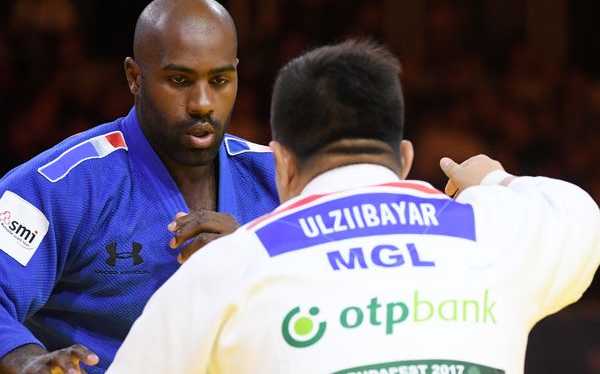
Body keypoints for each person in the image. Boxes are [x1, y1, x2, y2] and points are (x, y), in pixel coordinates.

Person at [107, 39, 600, 374]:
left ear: (281, 166)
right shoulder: (495, 233)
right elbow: (578, 211)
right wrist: (494, 181)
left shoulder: (227, 267)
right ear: (404, 158)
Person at [0, 0, 279, 374]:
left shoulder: (277, 180)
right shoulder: (61, 186)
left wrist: (256, 256)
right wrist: (28, 360)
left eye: (219, 80)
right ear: (135, 76)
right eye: (179, 79)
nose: (202, 102)